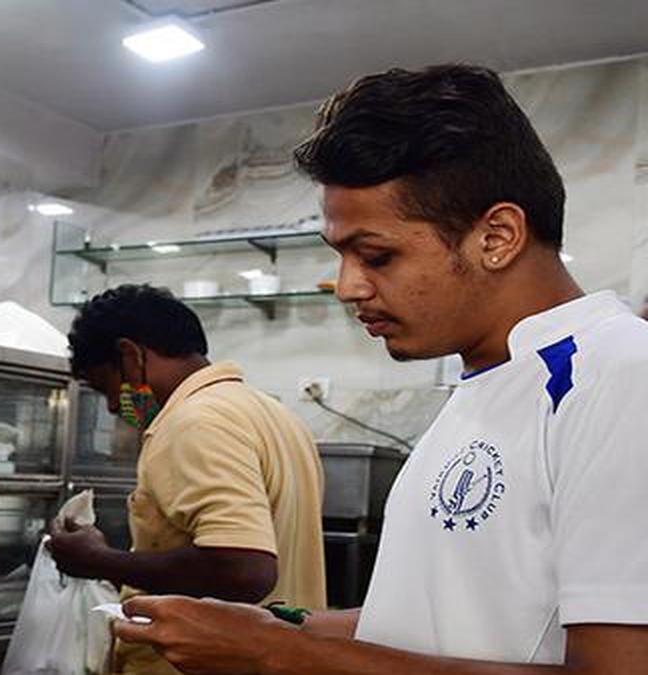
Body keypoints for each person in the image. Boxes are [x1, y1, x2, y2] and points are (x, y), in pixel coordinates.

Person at [114, 64, 648, 673]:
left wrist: (276, 654)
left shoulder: (619, 375)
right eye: (342, 256)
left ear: (497, 235)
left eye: (376, 255)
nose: (347, 287)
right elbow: (436, 617)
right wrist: (283, 626)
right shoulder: (488, 383)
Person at [47, 284, 325, 675]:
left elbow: (244, 569)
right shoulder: (271, 413)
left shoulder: (194, 421)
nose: (113, 406)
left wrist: (100, 560)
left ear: (130, 355)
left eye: (104, 386)